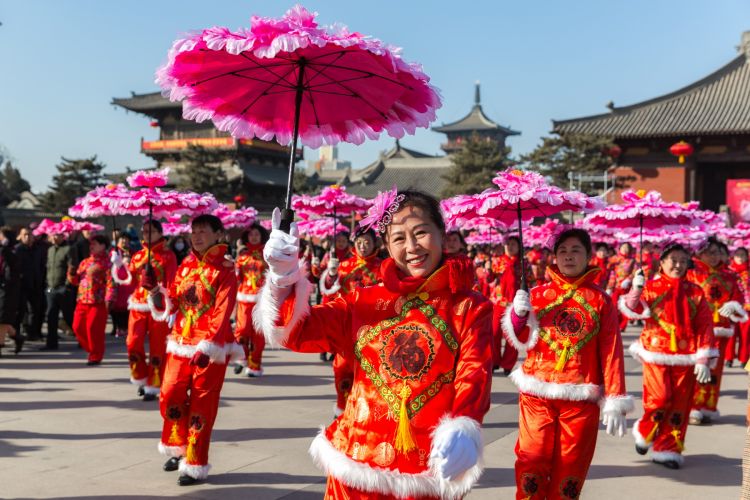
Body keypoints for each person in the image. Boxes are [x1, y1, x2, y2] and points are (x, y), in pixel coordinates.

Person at [254, 190, 493, 499]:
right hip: (355, 463)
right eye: (398, 239)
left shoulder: (469, 307)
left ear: (442, 235)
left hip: (429, 468)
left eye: (421, 233)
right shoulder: (363, 302)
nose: (412, 247)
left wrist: (464, 424)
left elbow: (474, 372)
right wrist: (283, 280)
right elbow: (297, 332)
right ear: (387, 246)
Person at [503, 228, 632, 499]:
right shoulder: (536, 295)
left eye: (575, 250)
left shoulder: (601, 301)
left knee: (571, 468)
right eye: (562, 251)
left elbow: (611, 351)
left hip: (581, 397)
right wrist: (517, 314)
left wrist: (615, 398)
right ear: (554, 257)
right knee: (531, 458)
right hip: (537, 393)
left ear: (588, 256)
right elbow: (522, 338)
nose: (568, 257)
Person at [148, 214, 237, 486]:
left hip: (209, 348)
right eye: (194, 231)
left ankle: (194, 462)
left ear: (218, 234)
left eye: (203, 231)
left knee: (202, 405)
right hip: (180, 341)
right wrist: (156, 293)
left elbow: (222, 313)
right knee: (170, 393)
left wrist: (208, 345)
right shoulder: (186, 264)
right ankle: (178, 444)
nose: (197, 236)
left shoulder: (225, 270)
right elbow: (173, 301)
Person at [620, 243, 714, 469]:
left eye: (683, 260)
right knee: (660, 399)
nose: (679, 265)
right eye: (673, 260)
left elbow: (704, 325)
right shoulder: (650, 288)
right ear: (661, 262)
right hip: (656, 352)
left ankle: (668, 449)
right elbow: (632, 310)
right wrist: (636, 288)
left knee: (680, 404)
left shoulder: (695, 291)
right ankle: (645, 431)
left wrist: (703, 358)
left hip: (686, 355)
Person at [319, 227, 384, 416]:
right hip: (347, 326)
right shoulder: (345, 265)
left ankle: (366, 410)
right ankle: (342, 405)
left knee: (369, 371)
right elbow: (329, 291)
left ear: (375, 244)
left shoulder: (382, 266)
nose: (363, 246)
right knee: (341, 368)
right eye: (359, 242)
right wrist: (330, 274)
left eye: (367, 242)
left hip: (374, 328)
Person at [111, 220, 177, 401]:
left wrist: (172, 307)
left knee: (158, 347)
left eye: (151, 231)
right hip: (138, 305)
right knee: (133, 342)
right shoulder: (138, 255)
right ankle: (140, 376)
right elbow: (130, 280)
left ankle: (154, 384)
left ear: (159, 233)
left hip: (158, 306)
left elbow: (172, 282)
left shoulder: (168, 255)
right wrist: (118, 266)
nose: (146, 233)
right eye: (144, 230)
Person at [687, 237, 748, 424]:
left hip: (721, 330)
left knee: (715, 372)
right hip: (698, 331)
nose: (714, 256)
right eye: (710, 252)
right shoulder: (692, 274)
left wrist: (733, 306)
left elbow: (739, 299)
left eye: (717, 252)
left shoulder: (730, 276)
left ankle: (708, 406)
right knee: (698, 369)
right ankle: (693, 407)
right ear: (700, 253)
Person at [68, 234, 111, 365]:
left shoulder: (108, 262)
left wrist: (109, 299)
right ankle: (92, 350)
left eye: (95, 244)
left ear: (103, 246)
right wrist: (71, 273)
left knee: (94, 329)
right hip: (82, 300)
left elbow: (111, 282)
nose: (91, 246)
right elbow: (76, 281)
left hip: (97, 301)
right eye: (91, 244)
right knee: (77, 327)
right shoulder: (84, 262)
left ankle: (95, 355)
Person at [233, 223, 269, 377]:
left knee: (258, 335)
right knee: (242, 331)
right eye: (251, 234)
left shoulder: (267, 256)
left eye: (257, 234)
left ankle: (254, 364)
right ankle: (241, 357)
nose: (254, 237)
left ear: (261, 237)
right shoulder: (241, 258)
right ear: (246, 237)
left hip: (262, 300)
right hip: (244, 299)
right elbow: (237, 279)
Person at [42, 232, 74, 351]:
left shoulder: (68, 249)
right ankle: (51, 343)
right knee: (51, 316)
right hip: (51, 288)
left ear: (63, 236)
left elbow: (72, 268)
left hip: (63, 289)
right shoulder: (50, 250)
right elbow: (48, 268)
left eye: (57, 235)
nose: (55, 237)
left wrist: (66, 285)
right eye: (53, 235)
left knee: (69, 316)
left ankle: (82, 339)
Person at [14, 227, 45, 342]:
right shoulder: (17, 250)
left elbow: (42, 266)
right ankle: (16, 334)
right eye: (25, 235)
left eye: (29, 235)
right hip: (21, 285)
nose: (27, 237)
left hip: (35, 283)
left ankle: (33, 333)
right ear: (20, 236)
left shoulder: (38, 250)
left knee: (35, 310)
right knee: (20, 311)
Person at [107, 235, 134, 338]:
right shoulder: (114, 252)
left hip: (129, 282)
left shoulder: (132, 252)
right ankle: (116, 327)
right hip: (116, 282)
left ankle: (126, 328)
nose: (124, 242)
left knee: (127, 307)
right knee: (115, 308)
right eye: (122, 240)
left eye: (126, 240)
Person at [0, 227, 21, 355]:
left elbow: (11, 274)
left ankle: (0, 345)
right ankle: (17, 337)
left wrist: (5, 247)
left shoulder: (11, 252)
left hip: (7, 290)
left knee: (2, 319)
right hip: (2, 288)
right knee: (3, 319)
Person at [728, 247, 750, 367]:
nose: (740, 258)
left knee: (745, 335)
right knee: (731, 334)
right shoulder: (728, 272)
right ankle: (729, 357)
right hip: (731, 306)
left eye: (743, 255)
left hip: (747, 307)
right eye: (738, 255)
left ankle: (744, 358)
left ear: (747, 257)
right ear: (733, 257)